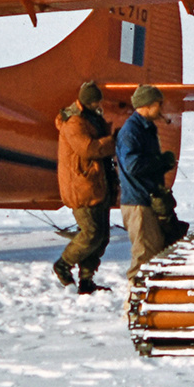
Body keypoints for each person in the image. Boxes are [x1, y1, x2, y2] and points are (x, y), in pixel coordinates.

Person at [53, 81, 117, 294]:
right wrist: (113, 141)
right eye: (96, 100)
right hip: (82, 186)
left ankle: (87, 280)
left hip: (97, 184)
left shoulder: (91, 119)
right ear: (88, 101)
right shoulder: (74, 123)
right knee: (91, 234)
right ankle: (63, 265)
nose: (99, 104)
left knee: (101, 237)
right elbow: (88, 149)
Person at [116, 83, 180, 279]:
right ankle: (135, 305)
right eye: (158, 104)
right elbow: (132, 165)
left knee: (156, 251)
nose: (161, 108)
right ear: (147, 104)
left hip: (147, 201)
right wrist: (160, 162)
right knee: (144, 258)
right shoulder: (131, 130)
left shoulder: (145, 128)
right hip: (139, 204)